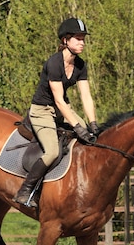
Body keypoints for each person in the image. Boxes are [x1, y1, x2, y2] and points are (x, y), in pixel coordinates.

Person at [13, 18, 99, 208]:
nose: (82, 42)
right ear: (65, 40)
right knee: (52, 151)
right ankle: (25, 190)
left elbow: (86, 97)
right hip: (42, 111)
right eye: (78, 38)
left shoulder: (80, 65)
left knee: (87, 136)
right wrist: (76, 126)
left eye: (83, 39)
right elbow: (58, 100)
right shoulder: (54, 63)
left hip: (62, 110)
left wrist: (92, 124)